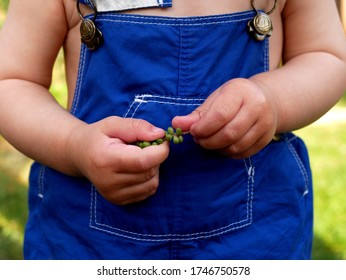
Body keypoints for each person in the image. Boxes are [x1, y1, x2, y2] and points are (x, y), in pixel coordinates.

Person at [0, 0, 345, 260]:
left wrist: (273, 100)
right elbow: (12, 80)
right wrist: (75, 146)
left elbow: (327, 56)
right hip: (87, 241)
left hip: (256, 237)